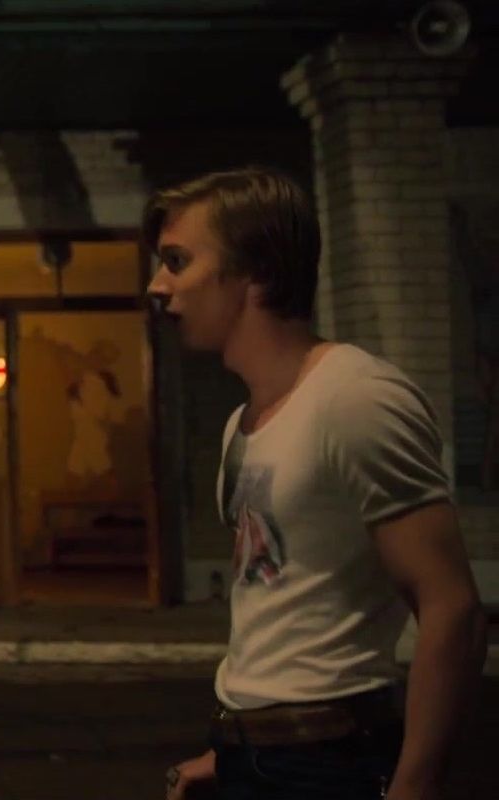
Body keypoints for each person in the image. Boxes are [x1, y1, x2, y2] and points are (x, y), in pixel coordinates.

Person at [148, 168, 486, 800]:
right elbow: (283, 607)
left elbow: (453, 609)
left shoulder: (356, 398)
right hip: (256, 757)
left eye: (177, 261)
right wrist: (236, 751)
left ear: (255, 272)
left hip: (331, 762)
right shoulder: (241, 423)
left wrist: (415, 786)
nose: (158, 285)